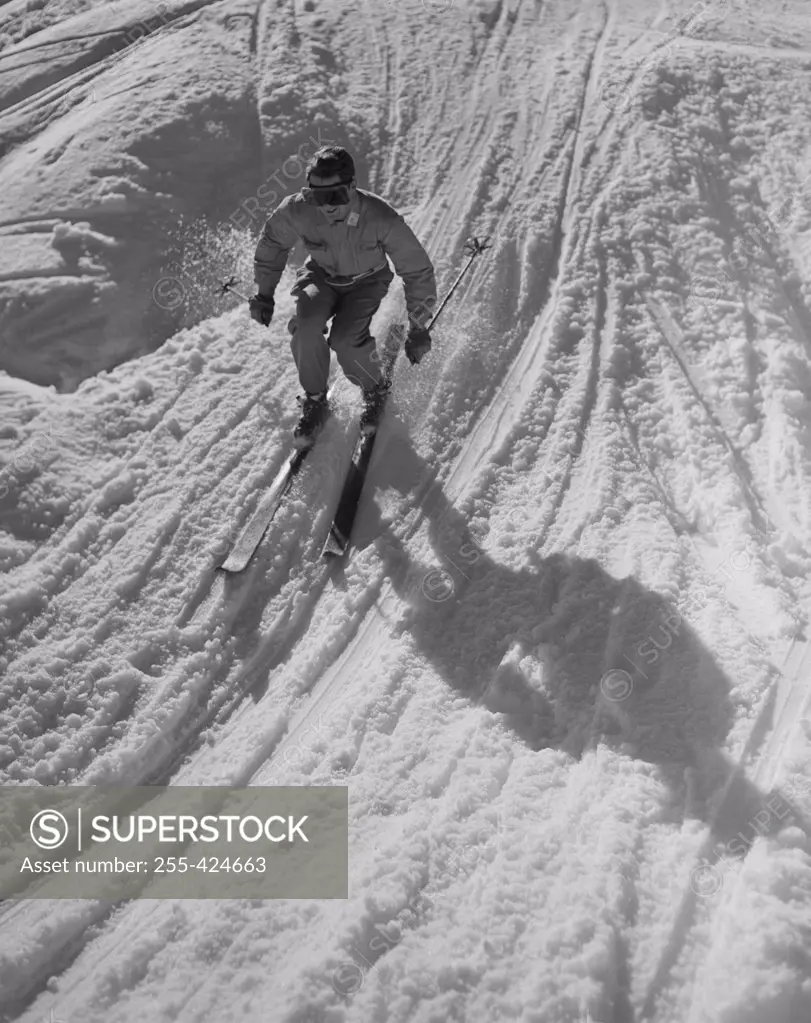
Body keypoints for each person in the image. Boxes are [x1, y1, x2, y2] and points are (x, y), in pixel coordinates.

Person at [250, 145, 437, 447]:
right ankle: (314, 399)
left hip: (367, 281)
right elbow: (272, 244)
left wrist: (418, 325)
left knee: (345, 340)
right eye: (318, 196)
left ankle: (374, 388)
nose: (327, 205)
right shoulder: (298, 209)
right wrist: (263, 293)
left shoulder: (379, 217)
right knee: (305, 326)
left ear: (351, 187)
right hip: (319, 279)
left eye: (335, 196)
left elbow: (417, 270)